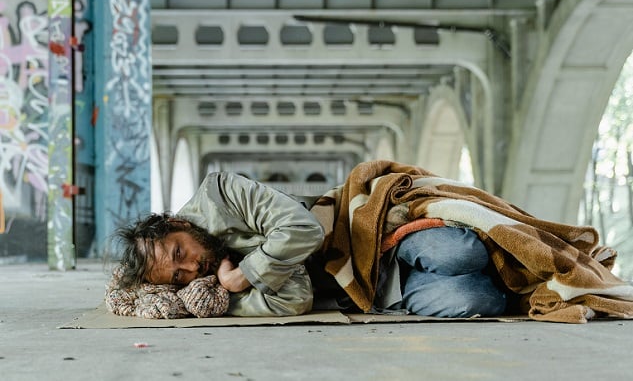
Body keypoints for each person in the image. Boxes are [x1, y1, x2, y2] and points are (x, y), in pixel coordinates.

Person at [109, 160, 633, 323]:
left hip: (371, 238)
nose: (191, 267)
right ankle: (520, 282)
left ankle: (522, 260)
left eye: (180, 252)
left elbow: (305, 230)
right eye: (177, 277)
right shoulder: (212, 297)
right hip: (371, 292)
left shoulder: (220, 193)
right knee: (480, 299)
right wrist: (226, 291)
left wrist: (247, 273)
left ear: (173, 224)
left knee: (464, 252)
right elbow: (294, 300)